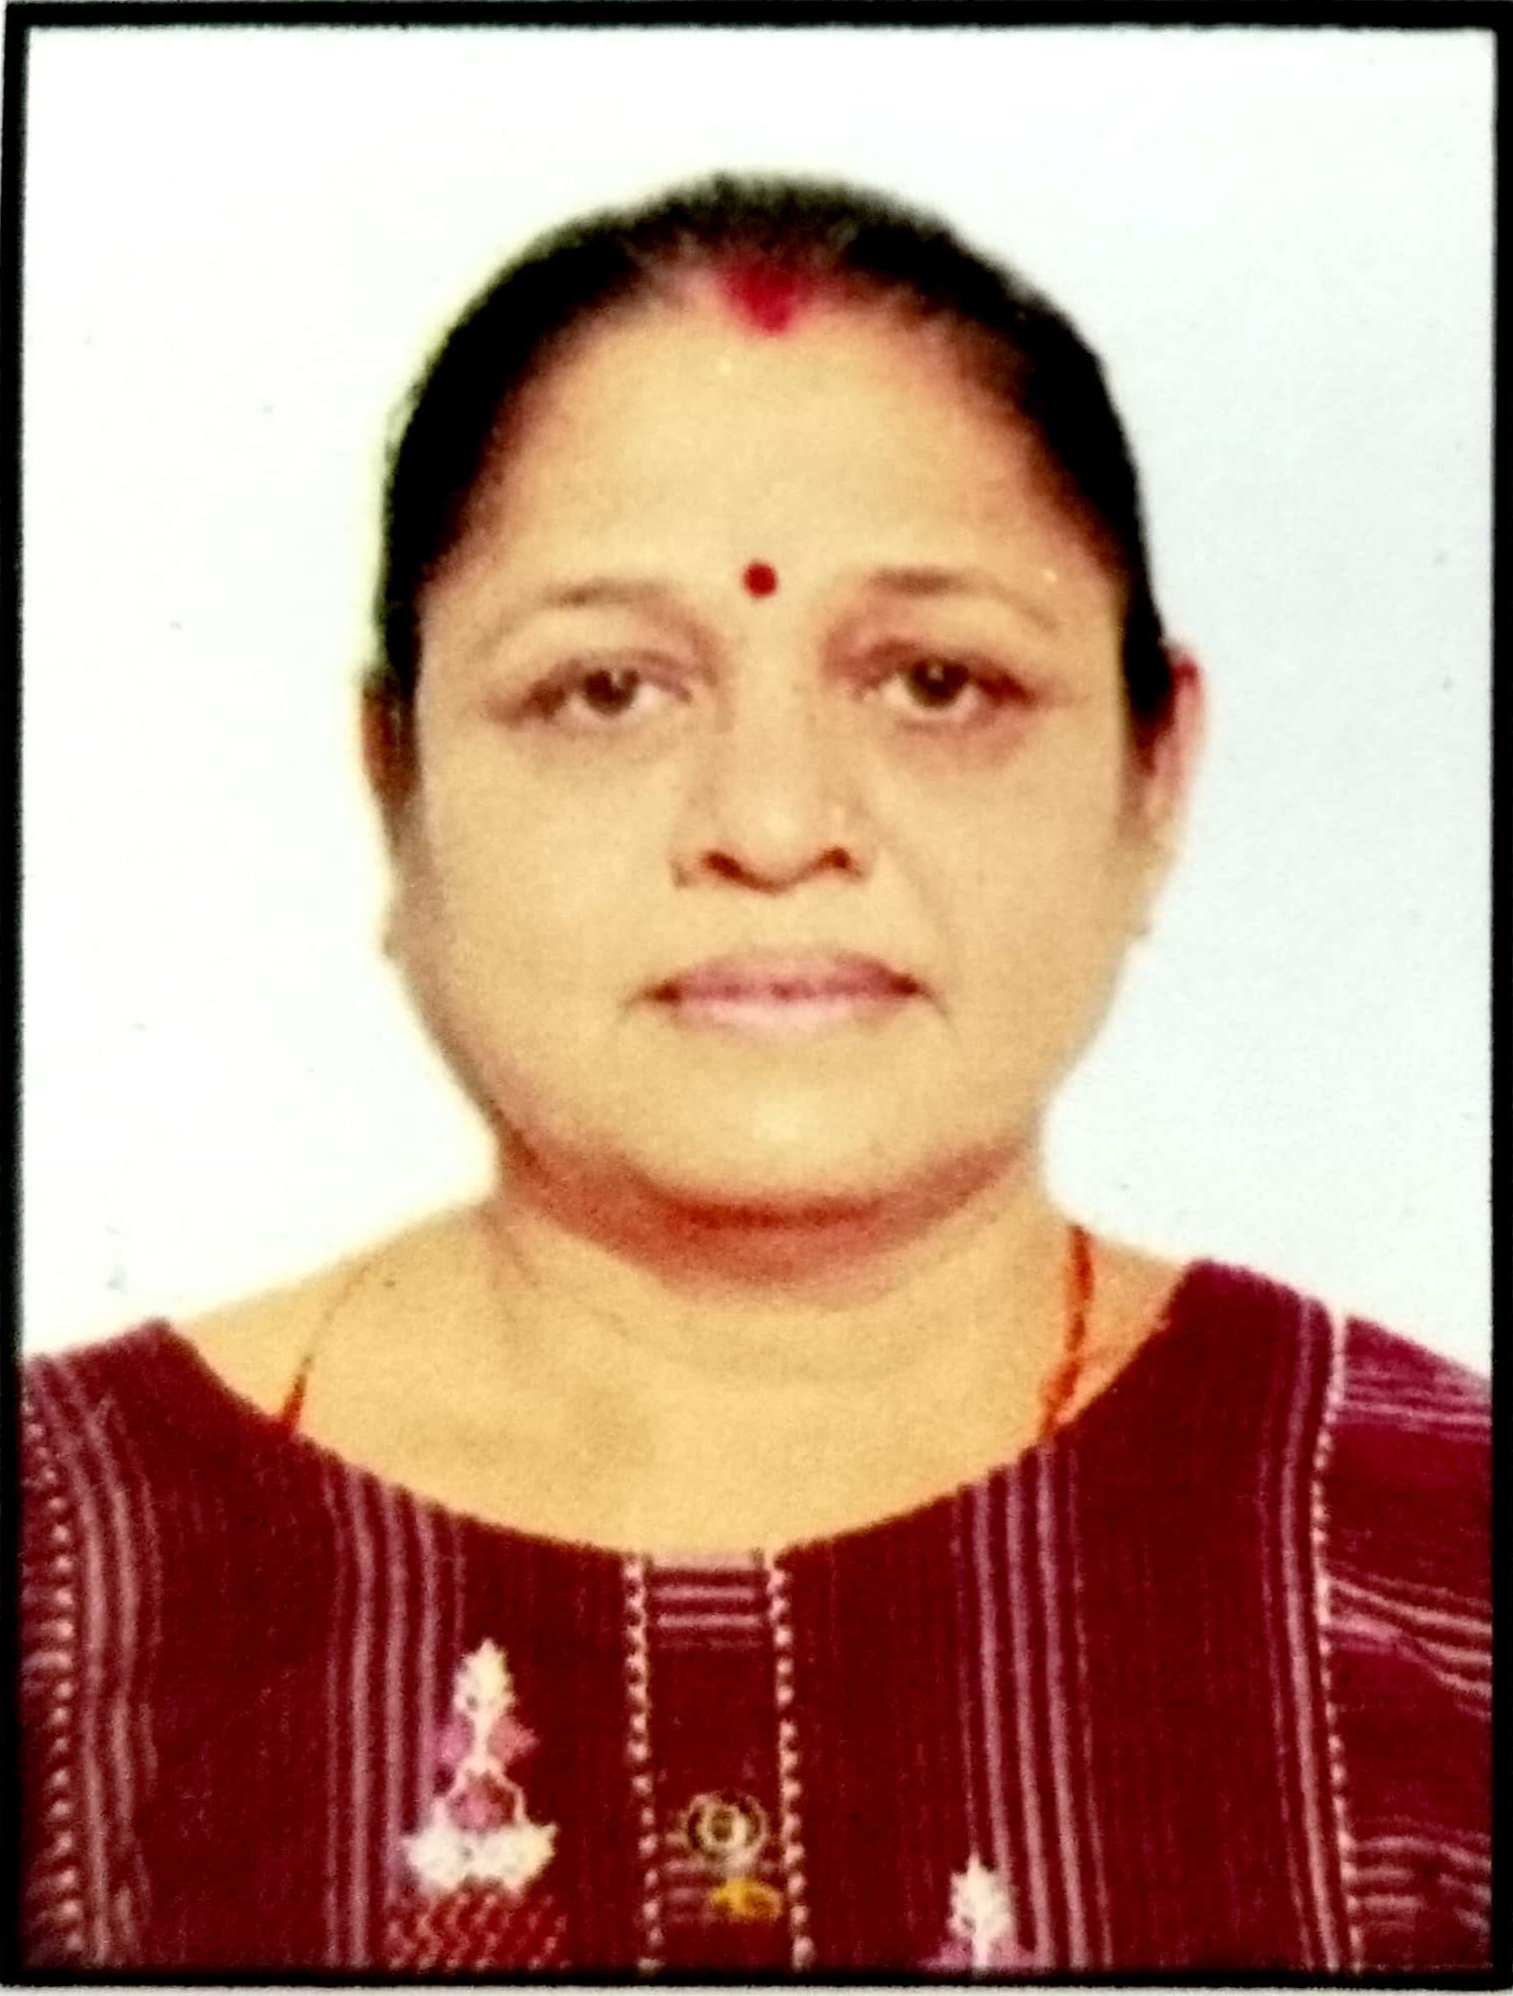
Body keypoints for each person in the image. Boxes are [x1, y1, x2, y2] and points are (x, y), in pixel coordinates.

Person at [18, 173, 1489, 1976]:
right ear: (394, 779)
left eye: (934, 682)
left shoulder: (1444, 1558)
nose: (775, 826)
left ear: (1154, 772)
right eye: (607, 690)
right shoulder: (56, 1572)